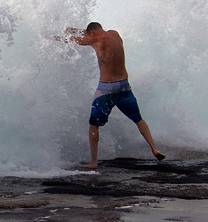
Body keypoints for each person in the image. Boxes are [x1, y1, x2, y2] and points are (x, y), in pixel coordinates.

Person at [65, 22, 164, 169]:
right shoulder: (115, 34)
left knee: (94, 125)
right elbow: (89, 34)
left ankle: (93, 162)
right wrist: (75, 30)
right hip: (124, 86)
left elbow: (74, 40)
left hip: (107, 89)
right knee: (138, 119)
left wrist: (56, 37)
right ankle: (155, 148)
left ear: (92, 33)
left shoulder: (95, 40)